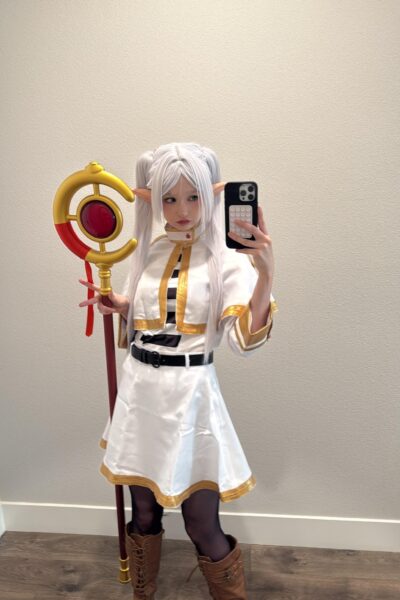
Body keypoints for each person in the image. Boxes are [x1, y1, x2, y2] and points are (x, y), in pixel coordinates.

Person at [79, 143, 278, 599]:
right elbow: (151, 322)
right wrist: (124, 305)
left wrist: (266, 273)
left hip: (190, 397)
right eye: (170, 199)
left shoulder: (227, 257)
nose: (182, 210)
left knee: (199, 521)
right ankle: (143, 593)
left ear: (211, 195)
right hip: (140, 391)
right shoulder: (150, 251)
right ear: (153, 200)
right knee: (144, 511)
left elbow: (243, 342)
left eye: (193, 197)